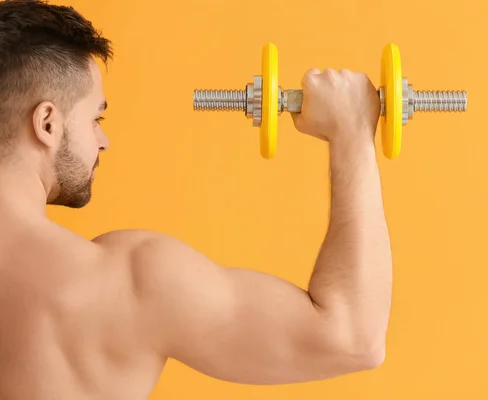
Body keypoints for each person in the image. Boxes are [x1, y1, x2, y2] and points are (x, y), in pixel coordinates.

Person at [0, 0, 393, 398]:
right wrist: (353, 133)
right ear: (47, 122)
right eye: (95, 119)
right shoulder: (129, 282)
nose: (103, 140)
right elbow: (353, 338)